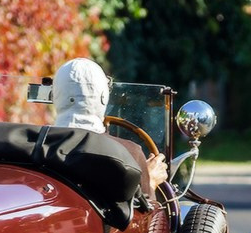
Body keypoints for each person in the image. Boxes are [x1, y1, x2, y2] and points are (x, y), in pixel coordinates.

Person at [50, 57, 168, 197]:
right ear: (103, 97)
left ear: (54, 95)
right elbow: (148, 215)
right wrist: (150, 181)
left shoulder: (35, 144)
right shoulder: (130, 153)